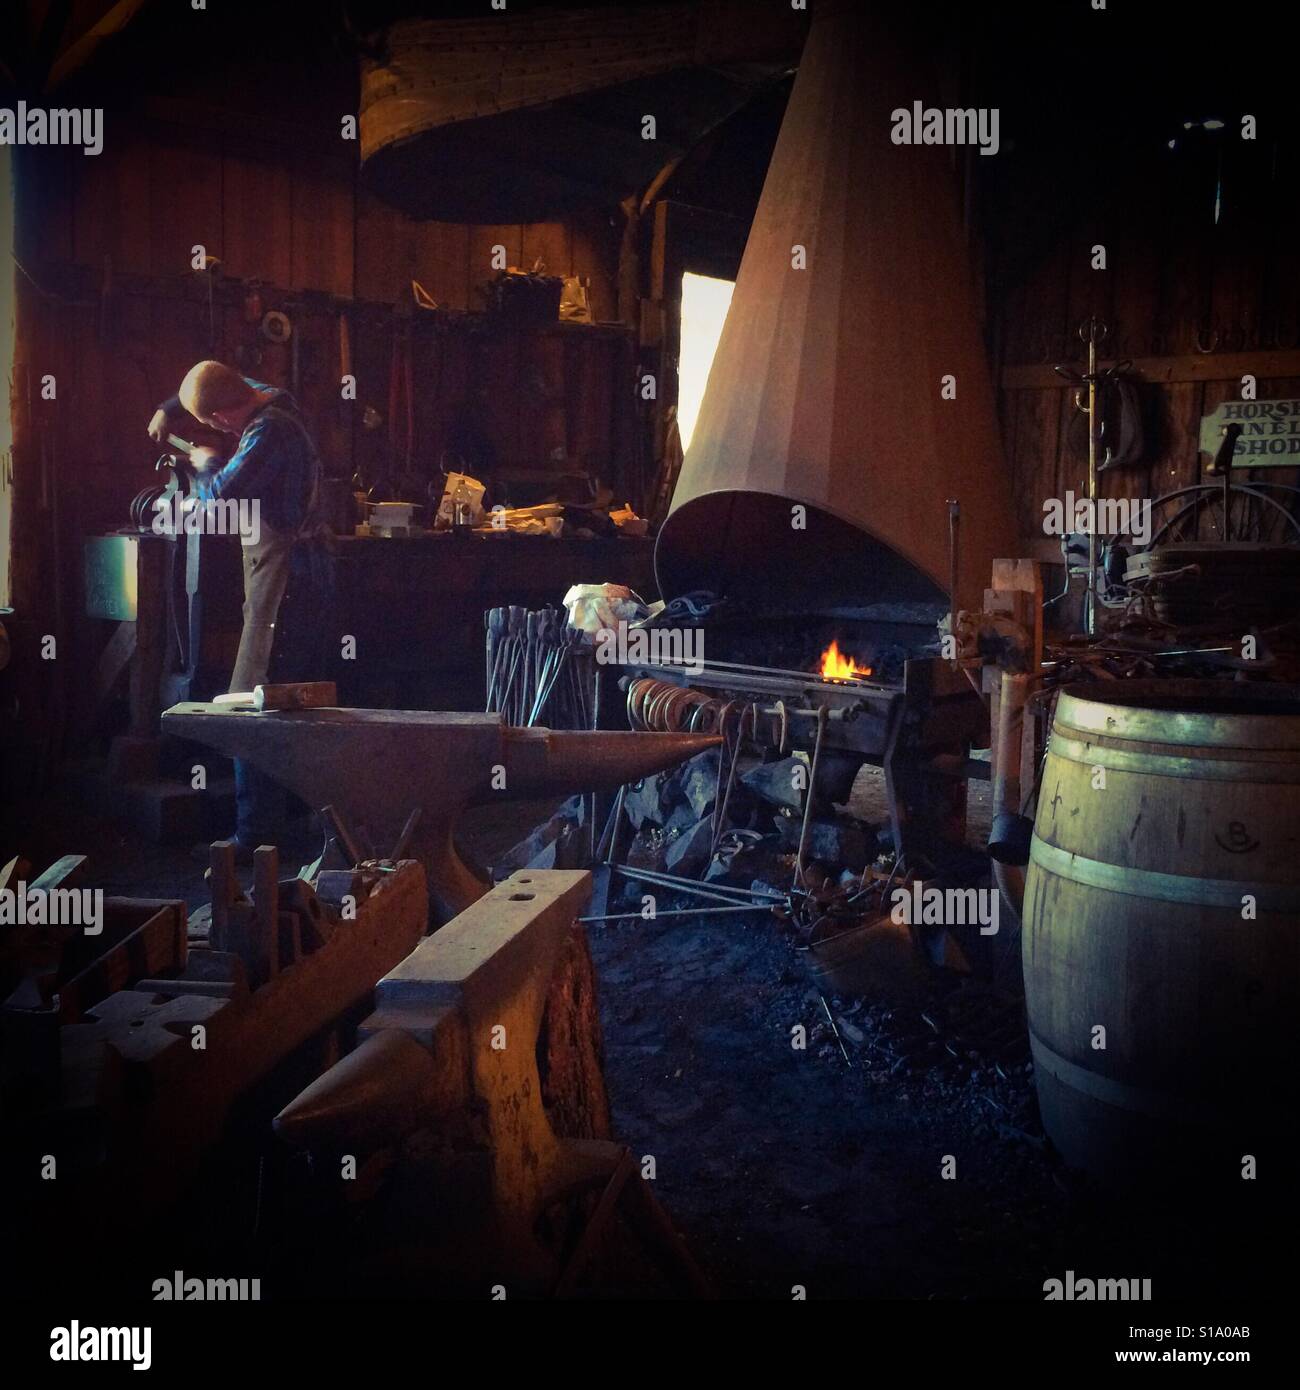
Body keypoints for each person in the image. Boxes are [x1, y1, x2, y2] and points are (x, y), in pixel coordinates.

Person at [149, 361, 331, 859]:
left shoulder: (268, 432)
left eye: (211, 424)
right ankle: (296, 823)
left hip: (288, 578)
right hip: (299, 572)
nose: (214, 432)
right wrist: (171, 409)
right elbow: (228, 386)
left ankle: (256, 836)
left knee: (256, 700)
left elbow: (221, 499)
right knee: (288, 700)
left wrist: (206, 463)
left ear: (222, 417)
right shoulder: (271, 397)